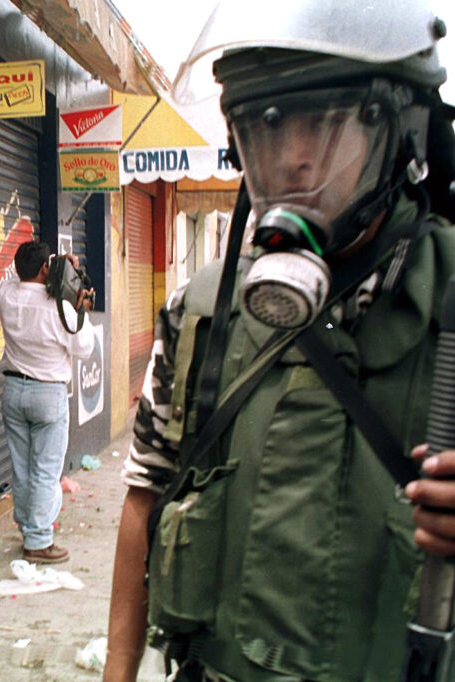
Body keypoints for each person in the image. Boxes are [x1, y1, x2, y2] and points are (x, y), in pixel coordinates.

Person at [103, 2, 455, 680]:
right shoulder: (202, 308)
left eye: (325, 127)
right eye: (266, 131)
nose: (293, 160)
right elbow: (145, 497)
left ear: (402, 132)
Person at [0, 240, 94, 564]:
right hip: (48, 394)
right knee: (45, 470)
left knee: (22, 468)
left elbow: (15, 277)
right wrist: (78, 303)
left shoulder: (6, 296)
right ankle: (38, 541)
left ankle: (29, 529)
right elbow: (83, 348)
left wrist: (49, 266)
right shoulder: (62, 307)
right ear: (45, 268)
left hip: (13, 391)